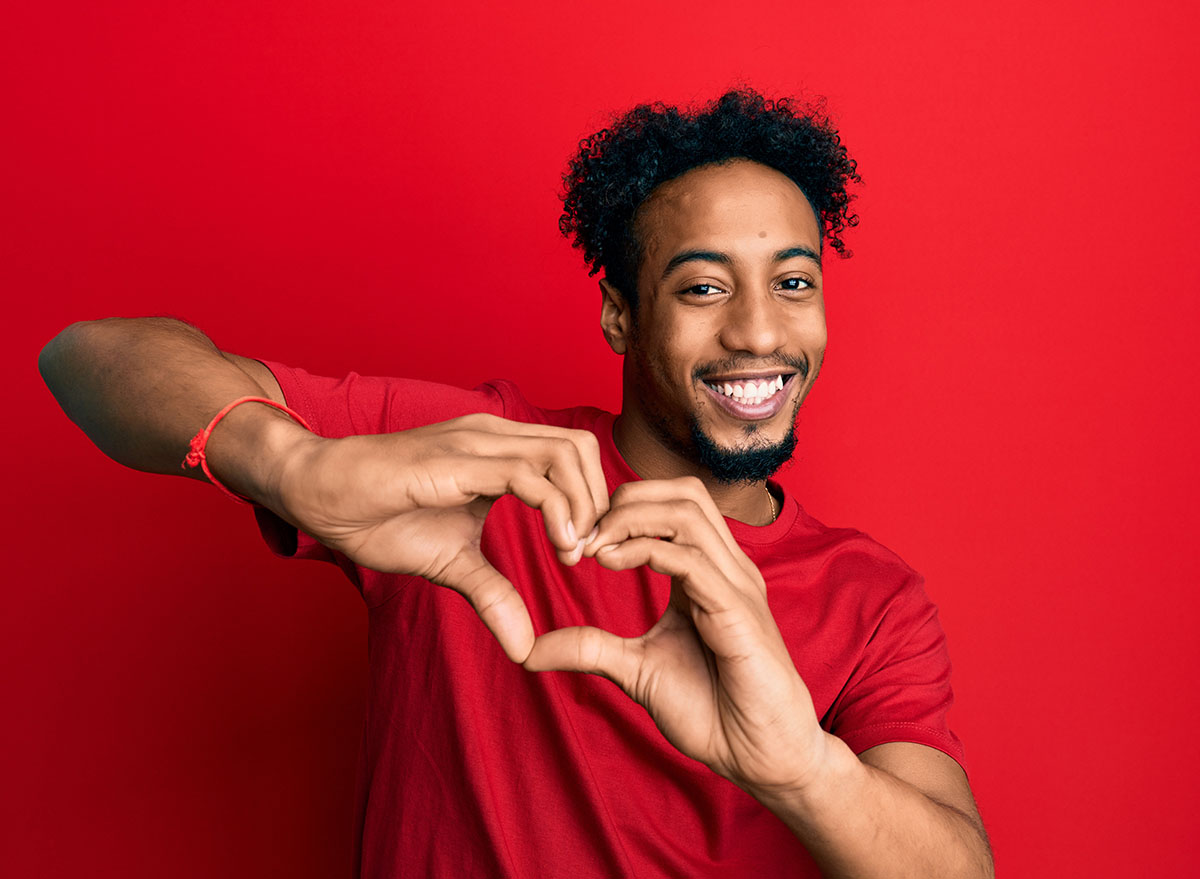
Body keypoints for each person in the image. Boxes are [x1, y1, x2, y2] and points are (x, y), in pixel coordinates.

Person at [40, 90, 993, 877]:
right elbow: (89, 357)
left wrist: (802, 772)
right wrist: (292, 463)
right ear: (620, 315)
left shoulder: (874, 601)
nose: (759, 332)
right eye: (704, 287)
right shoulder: (478, 459)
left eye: (794, 283)